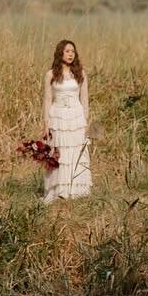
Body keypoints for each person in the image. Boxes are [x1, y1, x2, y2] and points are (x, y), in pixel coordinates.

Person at [43, 39, 92, 201]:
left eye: (73, 51)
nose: (70, 54)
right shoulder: (51, 74)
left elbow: (84, 99)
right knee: (60, 152)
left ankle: (76, 190)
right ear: (60, 53)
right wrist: (46, 124)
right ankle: (60, 190)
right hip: (58, 116)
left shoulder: (80, 73)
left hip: (76, 117)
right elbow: (47, 100)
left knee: (76, 150)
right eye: (67, 51)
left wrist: (85, 121)